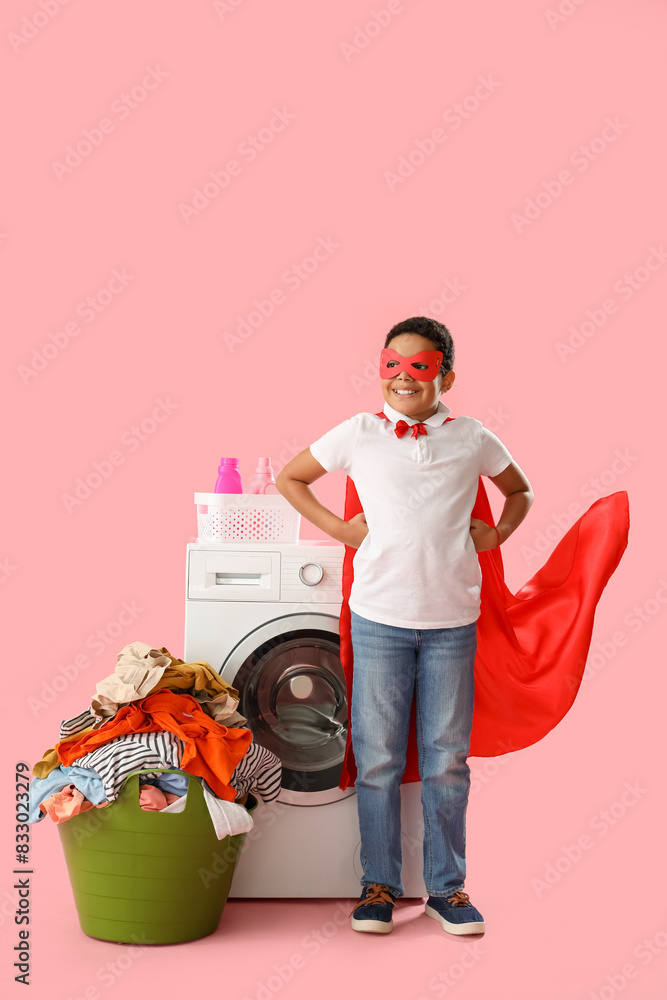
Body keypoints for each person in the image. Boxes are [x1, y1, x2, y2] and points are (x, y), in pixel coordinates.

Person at [275, 316, 533, 936]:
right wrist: (340, 530)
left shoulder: (471, 436)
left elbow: (520, 490)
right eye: (392, 364)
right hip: (379, 619)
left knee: (446, 760)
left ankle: (447, 889)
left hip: (452, 622)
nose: (403, 376)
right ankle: (379, 886)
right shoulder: (359, 433)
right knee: (377, 758)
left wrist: (498, 532)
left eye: (420, 366)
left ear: (446, 376)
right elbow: (291, 477)